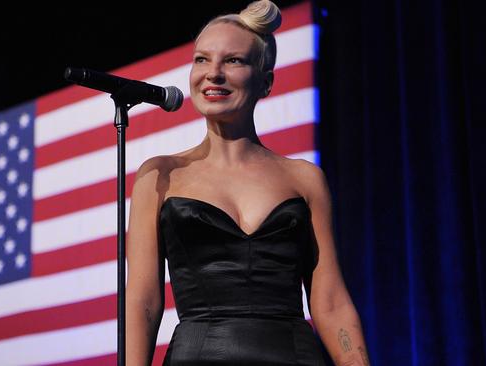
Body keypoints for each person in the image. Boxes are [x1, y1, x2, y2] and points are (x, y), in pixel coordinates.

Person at [126, 1, 370, 365]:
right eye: (201, 59)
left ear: (266, 81)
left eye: (234, 61)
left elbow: (331, 301)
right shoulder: (159, 176)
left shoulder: (303, 178)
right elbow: (143, 302)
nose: (213, 73)